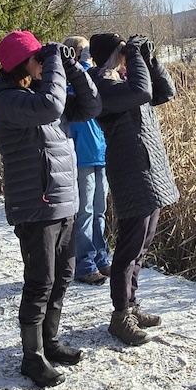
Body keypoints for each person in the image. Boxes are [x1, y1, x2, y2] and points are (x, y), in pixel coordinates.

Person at [0, 31, 101, 387]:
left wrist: (72, 67)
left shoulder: (40, 93)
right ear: (22, 64)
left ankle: (50, 342)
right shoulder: (9, 101)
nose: (43, 63)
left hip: (63, 201)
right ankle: (31, 357)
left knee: (63, 276)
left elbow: (92, 106)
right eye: (38, 58)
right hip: (35, 205)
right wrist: (53, 65)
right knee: (40, 282)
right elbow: (51, 107)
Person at [87, 32, 178, 346]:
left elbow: (164, 91)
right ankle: (120, 315)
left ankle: (132, 305)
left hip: (150, 169)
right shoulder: (100, 85)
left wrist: (149, 59)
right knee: (128, 249)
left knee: (141, 246)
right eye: (123, 51)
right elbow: (141, 92)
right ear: (112, 55)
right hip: (131, 171)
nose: (129, 55)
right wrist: (136, 56)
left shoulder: (122, 79)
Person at [63, 36, 112, 285]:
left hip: (99, 151)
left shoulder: (91, 76)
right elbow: (79, 88)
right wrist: (78, 65)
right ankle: (84, 263)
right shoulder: (66, 79)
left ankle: (101, 256)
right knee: (85, 211)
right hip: (81, 154)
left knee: (100, 211)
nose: (87, 56)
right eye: (83, 52)